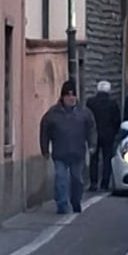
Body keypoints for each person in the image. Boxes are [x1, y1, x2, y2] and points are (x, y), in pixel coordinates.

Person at [40, 81, 97, 213]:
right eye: (68, 95)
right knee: (61, 179)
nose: (71, 98)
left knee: (77, 180)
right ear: (62, 97)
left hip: (77, 153)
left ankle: (76, 201)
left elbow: (91, 129)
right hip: (60, 153)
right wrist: (44, 149)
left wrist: (92, 144)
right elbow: (44, 131)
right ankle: (62, 205)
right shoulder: (53, 114)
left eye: (73, 95)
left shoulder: (84, 113)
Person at [86, 80, 121, 192]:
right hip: (108, 135)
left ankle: (93, 183)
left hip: (94, 134)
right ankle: (105, 182)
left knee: (94, 159)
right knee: (107, 159)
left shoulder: (90, 102)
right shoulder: (113, 104)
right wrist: (115, 132)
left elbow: (87, 119)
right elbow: (117, 120)